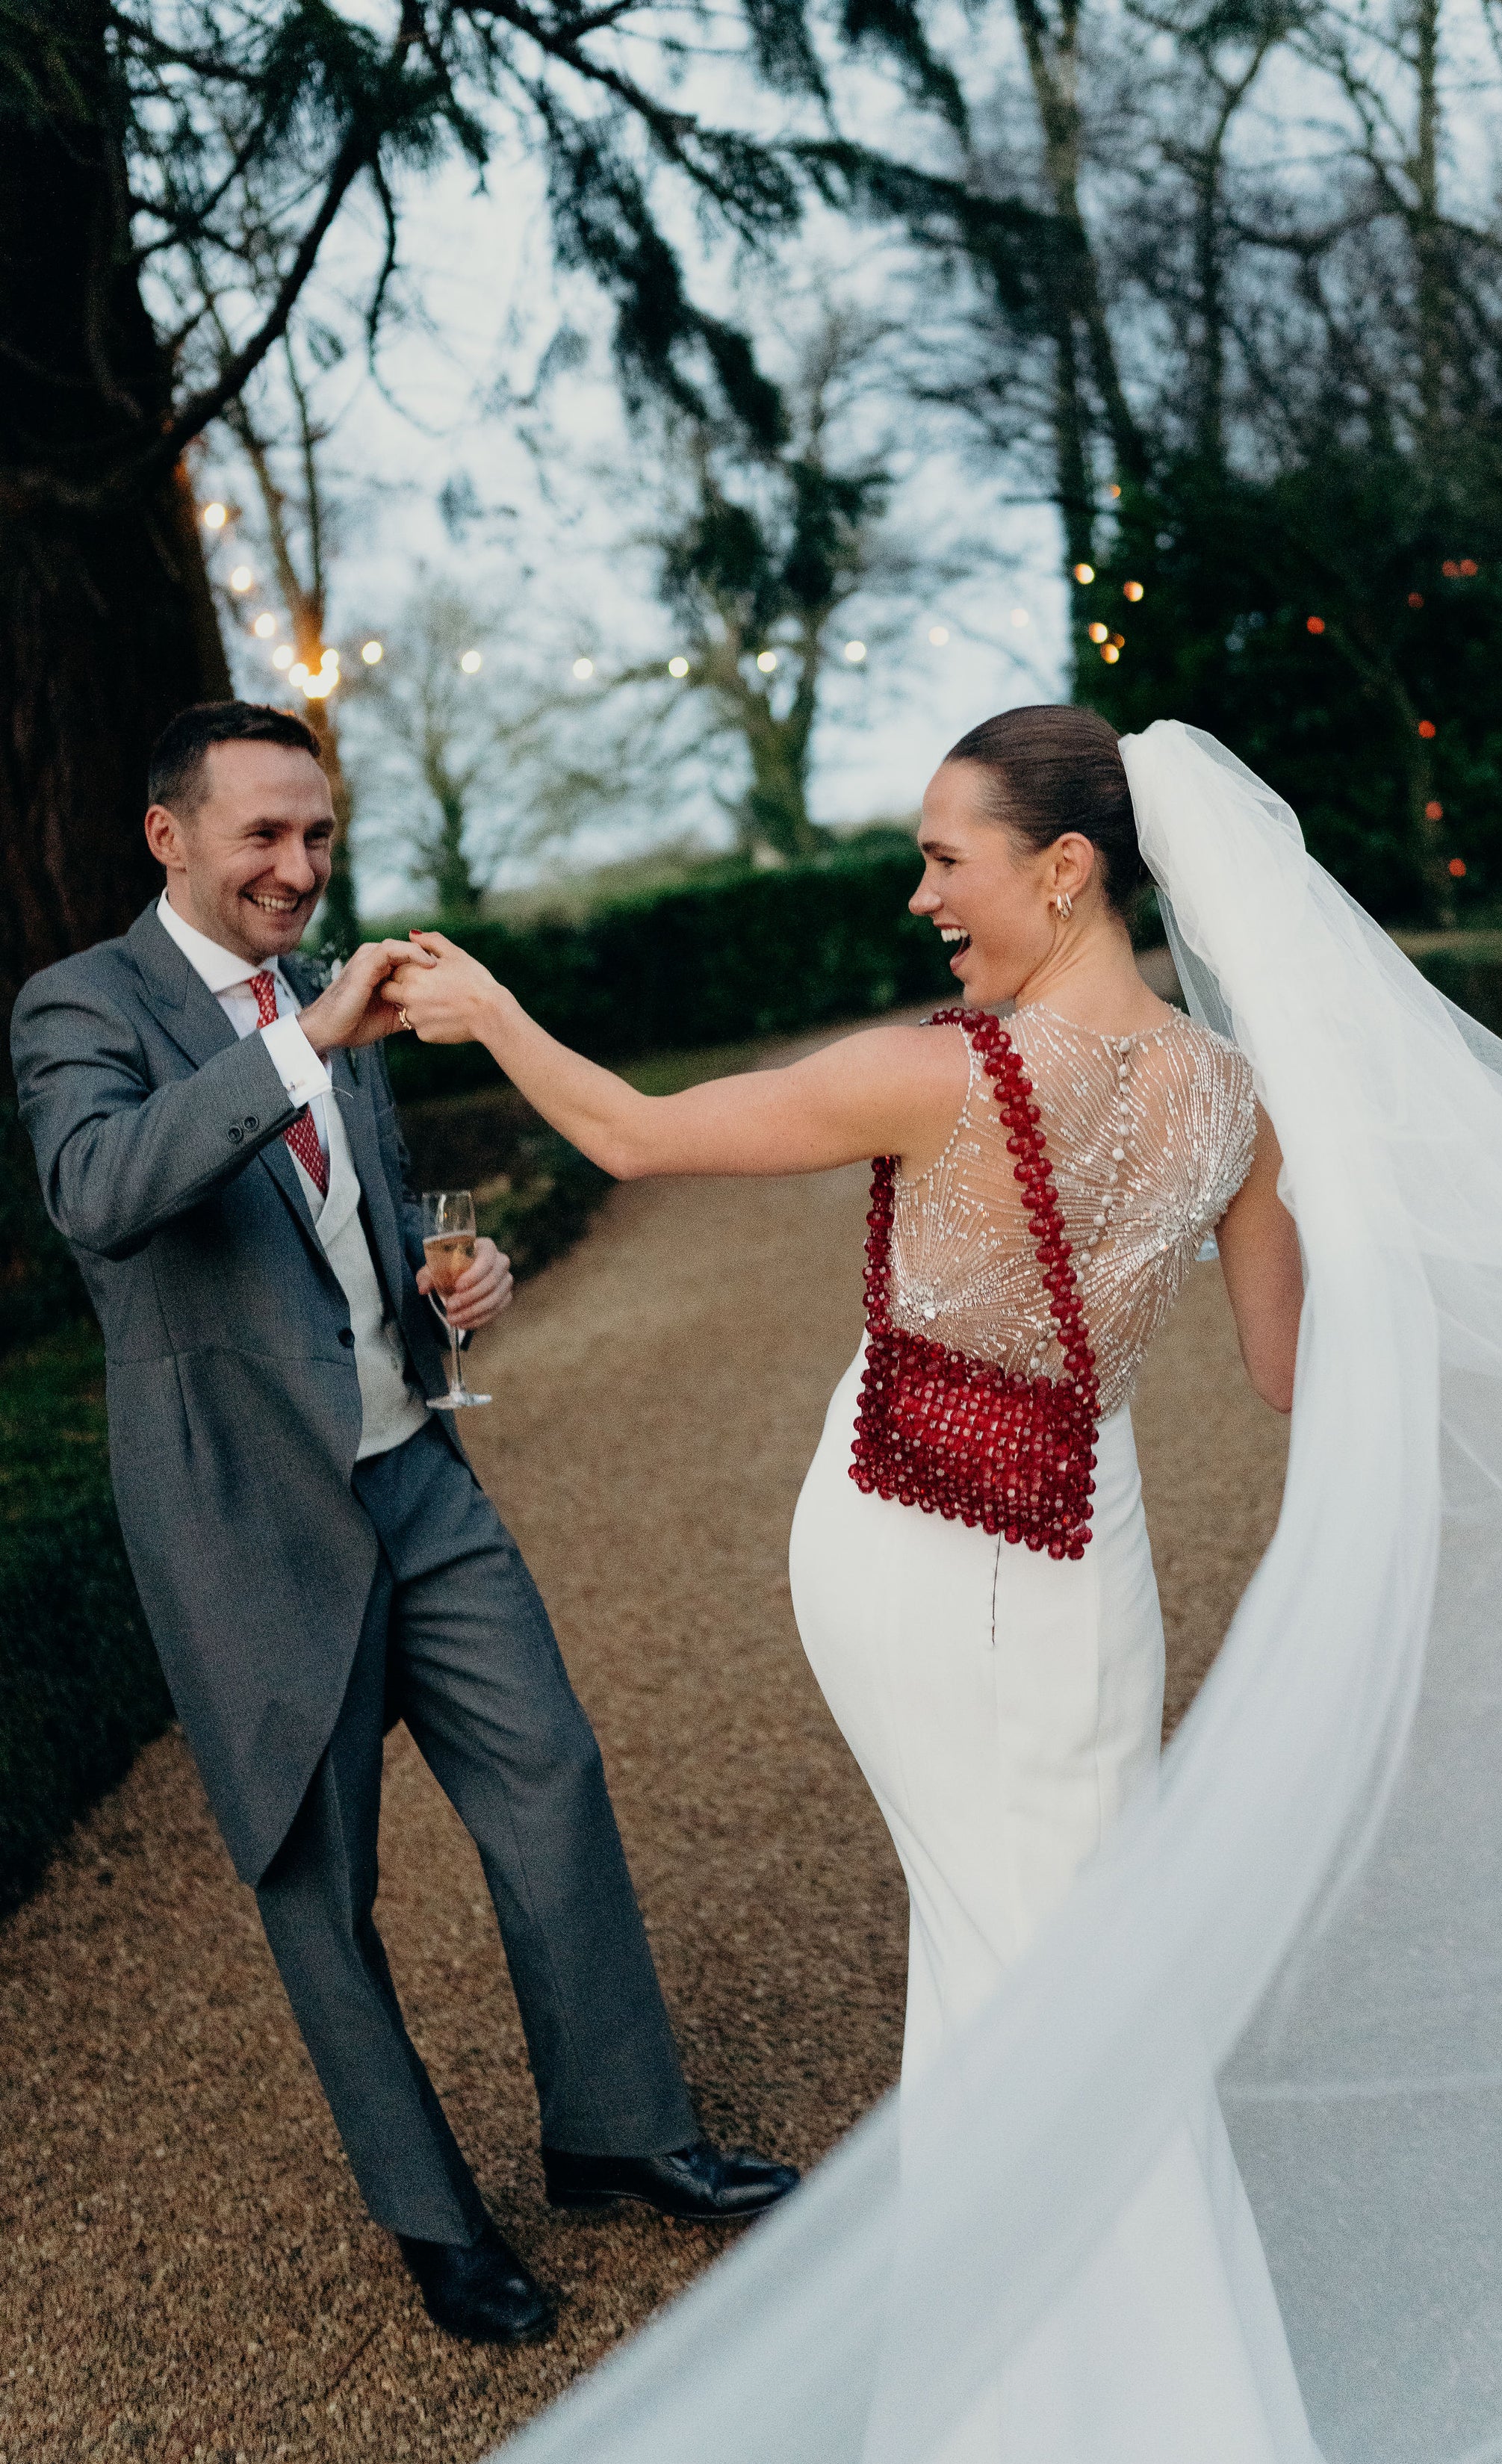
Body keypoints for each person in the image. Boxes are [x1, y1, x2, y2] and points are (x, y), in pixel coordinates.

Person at [381, 703, 1312, 2446]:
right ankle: (1118, 2370)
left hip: (913, 1542)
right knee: (1066, 1950)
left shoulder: (934, 1071)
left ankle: (1027, 2388)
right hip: (1084, 1552)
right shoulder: (1236, 1100)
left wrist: (494, 1009)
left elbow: (638, 1138)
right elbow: (1285, 1368)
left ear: (1063, 867)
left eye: (943, 859)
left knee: (997, 1959)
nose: (917, 897)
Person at [9, 700, 796, 2353]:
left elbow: (353, 1235)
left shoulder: (327, 992)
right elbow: (102, 1189)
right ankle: (437, 2225)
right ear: (171, 838)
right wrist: (303, 1042)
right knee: (321, 1880)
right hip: (244, 1528)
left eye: (318, 834)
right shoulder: (82, 1006)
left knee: (551, 1777)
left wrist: (458, 1293)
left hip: (415, 1479)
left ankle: (615, 2130)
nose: (303, 868)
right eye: (265, 837)